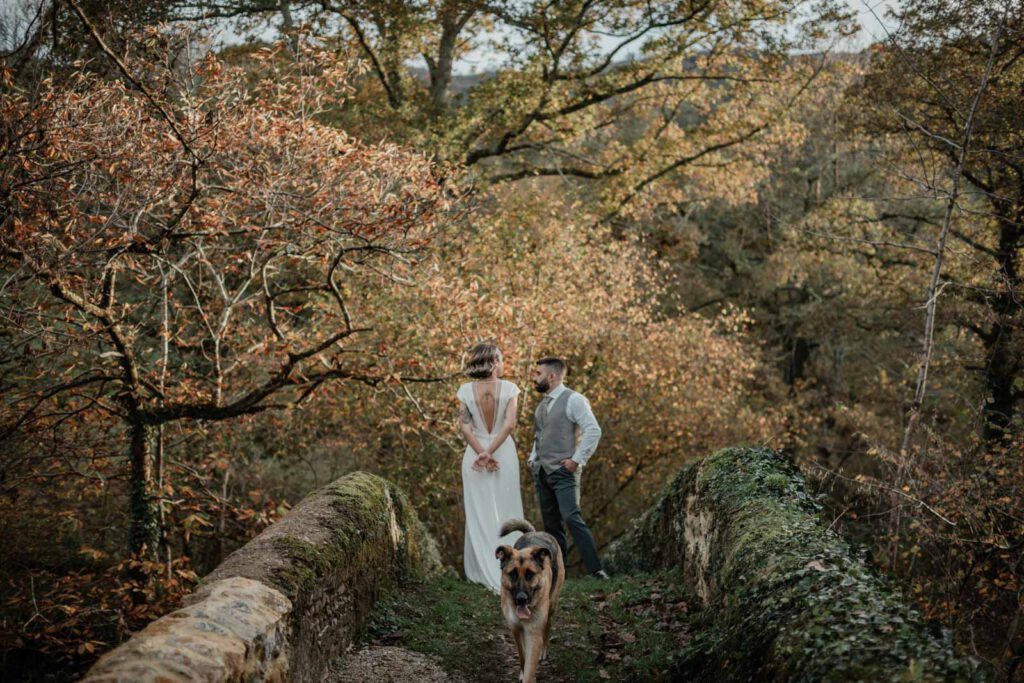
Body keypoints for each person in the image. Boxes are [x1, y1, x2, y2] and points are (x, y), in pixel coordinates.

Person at [528, 357, 609, 579]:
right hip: (542, 472)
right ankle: (557, 574)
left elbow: (594, 430)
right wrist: (532, 458)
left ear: (551, 376)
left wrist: (576, 460)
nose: (534, 378)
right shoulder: (542, 405)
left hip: (565, 472)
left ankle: (595, 570)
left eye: (538, 374)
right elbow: (539, 436)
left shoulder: (574, 400)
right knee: (551, 527)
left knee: (572, 518)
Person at [456, 342, 525, 592]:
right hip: (503, 452)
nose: (504, 363)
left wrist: (480, 452)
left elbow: (464, 426)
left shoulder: (465, 390)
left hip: (474, 456)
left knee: (478, 512)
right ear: (494, 361)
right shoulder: (509, 389)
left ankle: (481, 572)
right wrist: (491, 452)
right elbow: (508, 425)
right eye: (503, 358)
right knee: (508, 509)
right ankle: (514, 569)